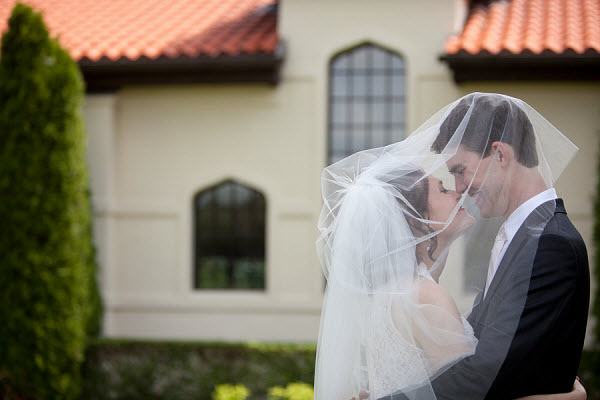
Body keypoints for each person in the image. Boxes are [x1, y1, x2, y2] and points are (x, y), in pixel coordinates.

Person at [314, 93, 589, 400]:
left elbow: (485, 374)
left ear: (500, 155)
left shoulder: (551, 243)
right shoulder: (517, 239)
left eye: (459, 171)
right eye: (447, 183)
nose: (459, 189)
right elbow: (486, 367)